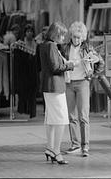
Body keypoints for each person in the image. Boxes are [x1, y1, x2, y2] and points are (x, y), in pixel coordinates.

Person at [62, 21, 105, 157]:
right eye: (74, 36)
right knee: (71, 116)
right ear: (71, 36)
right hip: (69, 83)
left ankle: (85, 146)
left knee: (83, 116)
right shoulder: (65, 48)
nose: (76, 39)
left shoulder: (88, 48)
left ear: (84, 37)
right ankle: (75, 145)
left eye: (79, 37)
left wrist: (93, 73)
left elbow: (101, 63)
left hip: (82, 83)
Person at [39, 22, 75, 165]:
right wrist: (70, 65)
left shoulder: (44, 45)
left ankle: (50, 148)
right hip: (55, 87)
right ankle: (56, 151)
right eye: (62, 35)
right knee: (61, 119)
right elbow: (56, 67)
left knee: (51, 119)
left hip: (49, 86)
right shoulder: (51, 46)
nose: (63, 37)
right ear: (56, 34)